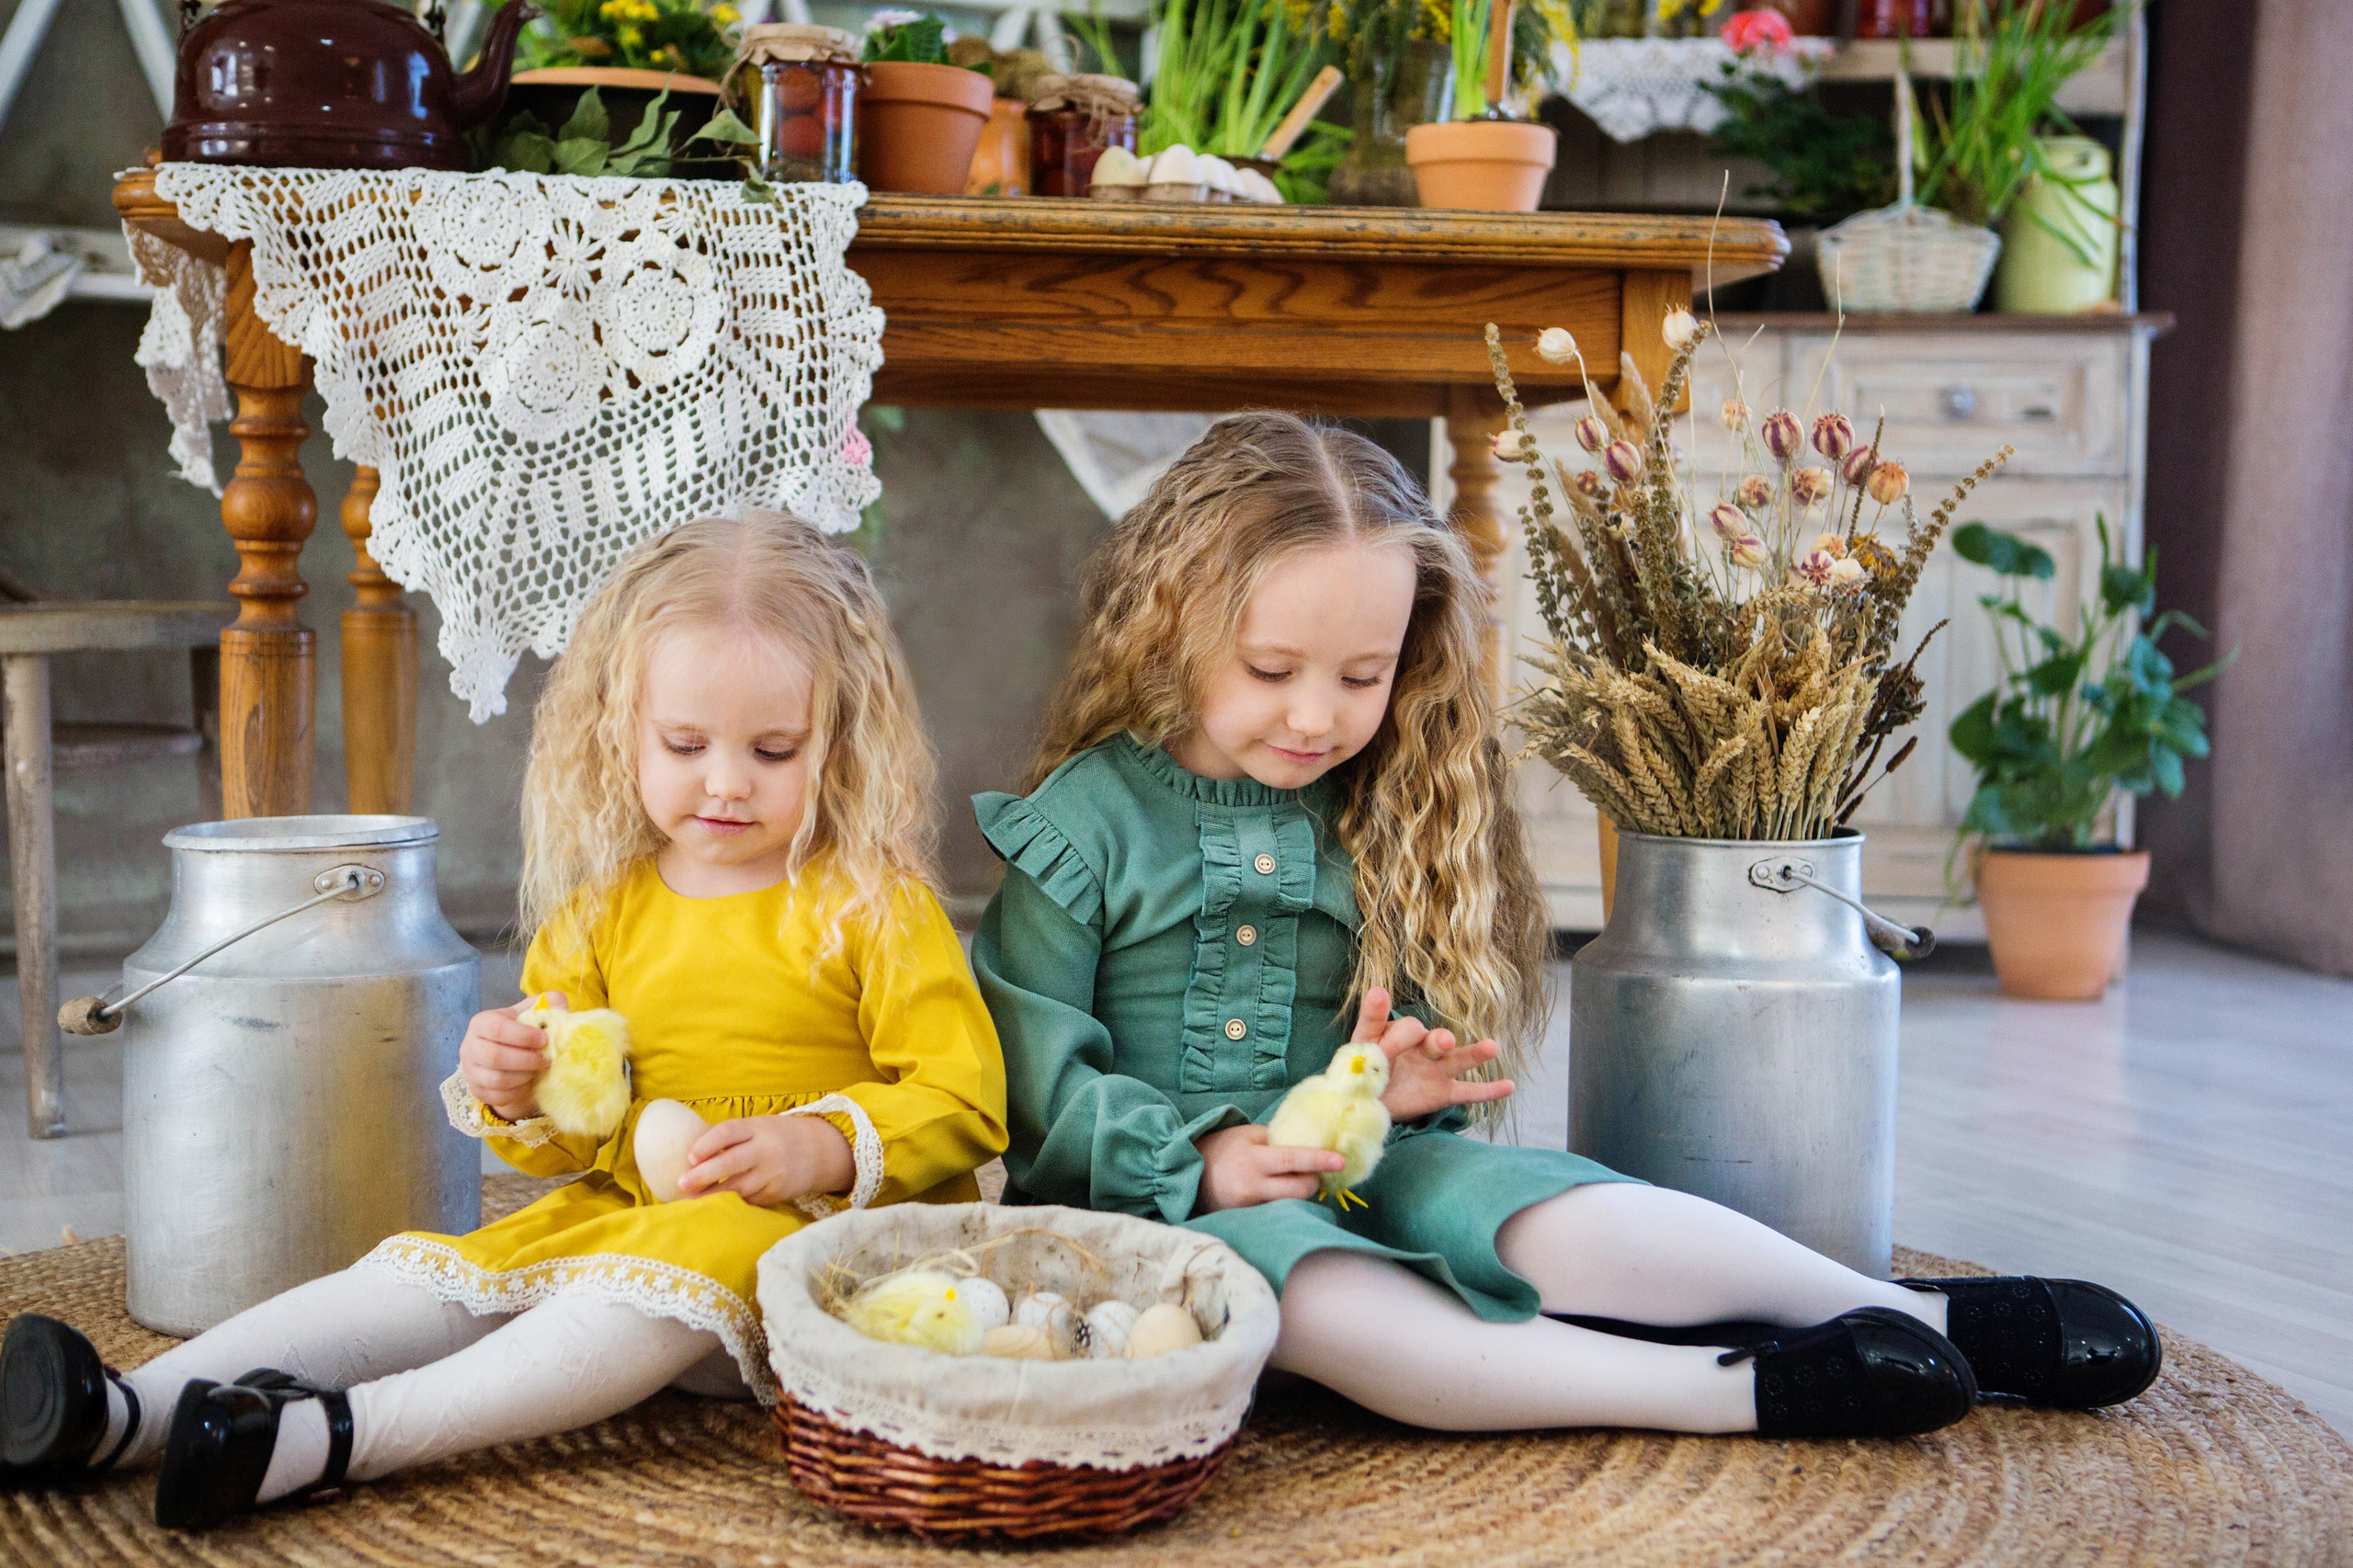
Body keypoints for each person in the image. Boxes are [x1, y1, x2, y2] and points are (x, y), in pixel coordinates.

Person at [971, 413, 2159, 1439]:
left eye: (1361, 673)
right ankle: (1727, 1389)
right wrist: (1205, 1162)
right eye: (1272, 665)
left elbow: (1391, 1023)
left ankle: (1925, 1315)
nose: (1317, 714)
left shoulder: (1384, 802)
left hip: (1345, 1163)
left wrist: (1386, 1079)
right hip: (1143, 1201)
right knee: (1312, 1284)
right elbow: (1033, 1077)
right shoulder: (1081, 823)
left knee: (1527, 1196)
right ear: (1169, 622)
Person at [0, 515, 1007, 1528]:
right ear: (621, 725)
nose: (725, 780)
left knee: (633, 1292)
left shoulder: (872, 903)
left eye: (773, 748)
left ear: (837, 743)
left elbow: (966, 1099)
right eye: (686, 743)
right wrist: (513, 1084)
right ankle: (126, 1409)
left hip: (816, 1255)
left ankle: (336, 1434)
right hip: (636, 1216)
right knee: (431, 1277)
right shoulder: (604, 909)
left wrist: (819, 1143)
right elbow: (578, 1136)